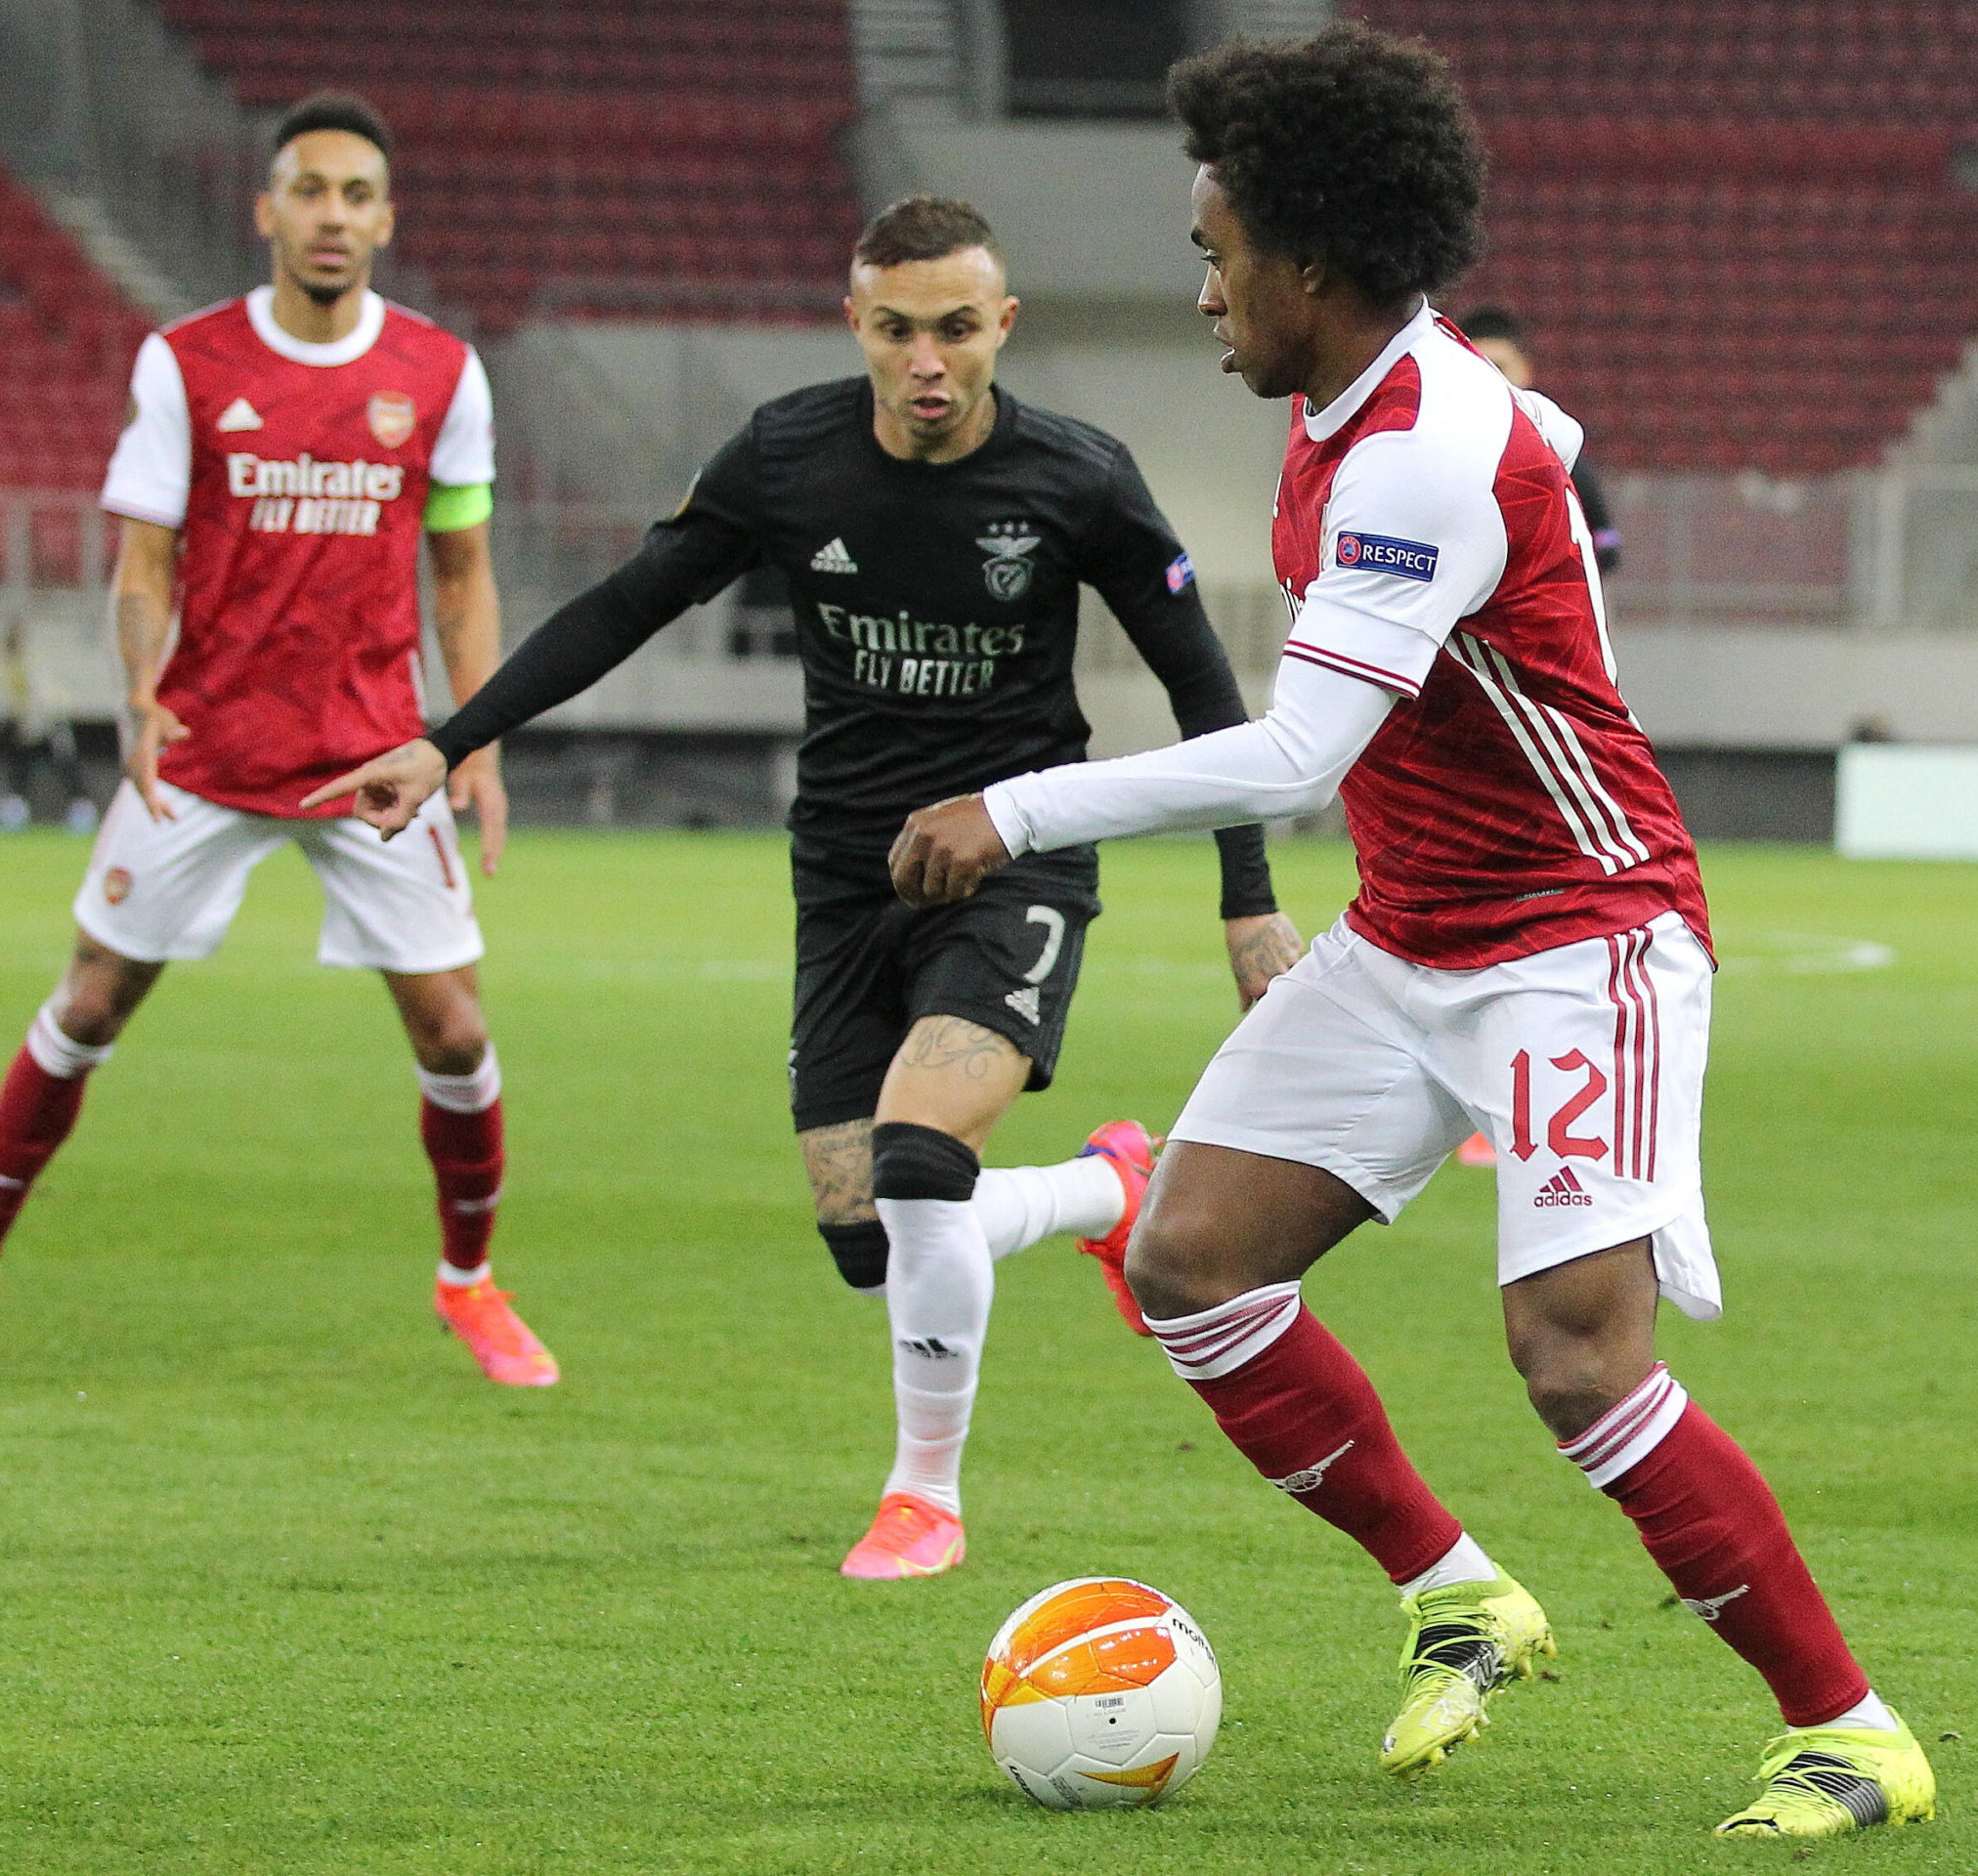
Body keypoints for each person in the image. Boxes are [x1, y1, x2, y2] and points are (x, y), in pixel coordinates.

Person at [888, 25, 1931, 1841]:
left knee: (1579, 1356)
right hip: (1412, 934)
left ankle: (1850, 1728)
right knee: (1193, 1263)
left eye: (1215, 254)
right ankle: (1462, 1592)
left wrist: (1018, 808)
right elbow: (1531, 464)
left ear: (1308, 259)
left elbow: (1299, 750)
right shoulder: (1357, 402)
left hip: (1576, 936)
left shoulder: (1421, 448)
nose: (1200, 290)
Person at [306, 194, 1304, 1580]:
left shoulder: (1078, 481)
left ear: (1001, 326)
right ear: (858, 327)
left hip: (1013, 856)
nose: (929, 361)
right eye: (897, 331)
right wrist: (446, 738)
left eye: (958, 328)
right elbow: (627, 603)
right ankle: (1099, 1193)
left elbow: (1207, 688)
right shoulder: (788, 458)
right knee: (871, 1241)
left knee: (914, 1157)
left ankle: (925, 1499)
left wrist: (1243, 897)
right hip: (843, 874)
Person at [0, 93, 554, 1390]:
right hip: (204, 748)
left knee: (456, 1035)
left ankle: (471, 1284)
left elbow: (461, 578)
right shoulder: (184, 364)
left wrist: (479, 739)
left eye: (357, 194)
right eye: (310, 191)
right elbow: (143, 562)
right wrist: (142, 689)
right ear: (269, 210)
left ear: (386, 217)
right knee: (86, 1002)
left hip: (369, 760)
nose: (333, 215)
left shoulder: (439, 375)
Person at [1459, 306, 1620, 576]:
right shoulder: (1437, 455)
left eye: (1498, 367)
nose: (1488, 380)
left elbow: (1607, 547)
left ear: (1525, 369)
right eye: (1476, 367)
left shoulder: (1563, 460)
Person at [0, 618, 97, 830]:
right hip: (34, 725)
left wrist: (29, 727)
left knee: (64, 767)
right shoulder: (12, 666)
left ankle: (82, 810)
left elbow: (39, 698)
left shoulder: (27, 664)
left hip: (51, 723)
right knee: (22, 768)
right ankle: (15, 810)